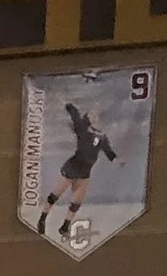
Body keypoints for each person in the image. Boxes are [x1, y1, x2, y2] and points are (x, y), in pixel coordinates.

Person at [38, 102, 115, 238]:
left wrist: (118, 160)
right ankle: (42, 219)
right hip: (72, 167)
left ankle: (65, 226)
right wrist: (70, 106)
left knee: (77, 202)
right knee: (55, 195)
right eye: (92, 115)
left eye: (96, 115)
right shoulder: (82, 129)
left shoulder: (102, 137)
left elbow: (109, 153)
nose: (96, 117)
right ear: (89, 119)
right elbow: (75, 116)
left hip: (85, 173)